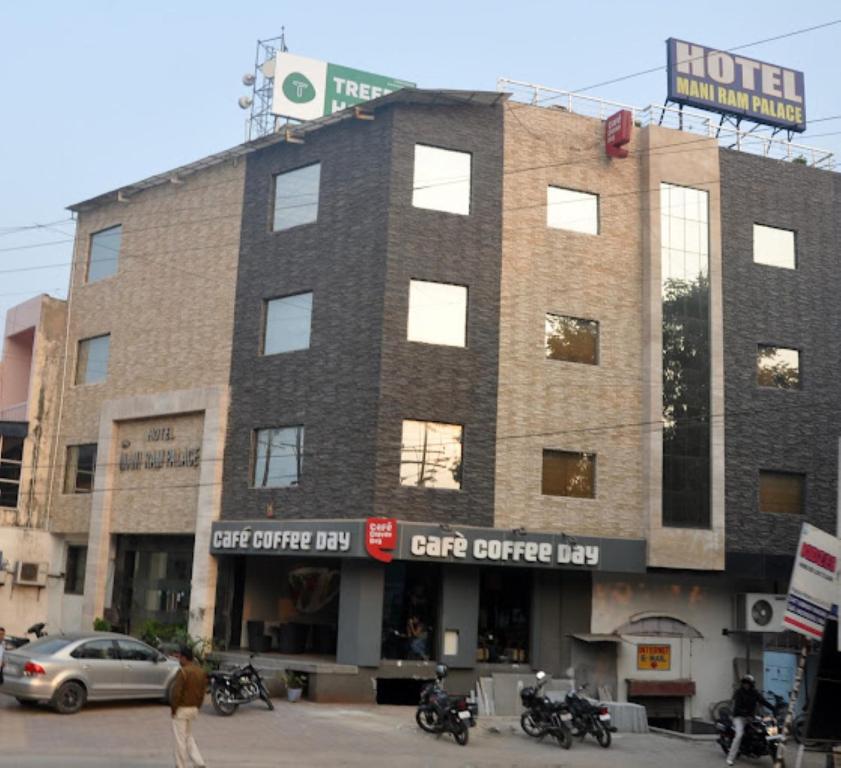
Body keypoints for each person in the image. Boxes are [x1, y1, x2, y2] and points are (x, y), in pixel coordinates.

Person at [170, 645, 207, 768]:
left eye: (180, 657)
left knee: (180, 740)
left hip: (181, 709)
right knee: (188, 737)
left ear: (185, 658)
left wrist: (174, 709)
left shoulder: (183, 672)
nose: (179, 660)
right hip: (193, 709)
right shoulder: (200, 672)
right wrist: (198, 706)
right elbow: (203, 692)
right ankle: (199, 762)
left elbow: (176, 693)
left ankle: (180, 765)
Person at [726, 674, 772, 765]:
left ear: (751, 684)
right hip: (739, 717)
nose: (746, 685)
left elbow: (763, 701)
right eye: (744, 683)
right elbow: (737, 708)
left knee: (764, 728)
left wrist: (774, 708)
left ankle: (759, 747)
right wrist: (746, 715)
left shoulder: (754, 692)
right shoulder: (739, 692)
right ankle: (730, 758)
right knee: (739, 735)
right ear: (742, 683)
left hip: (751, 717)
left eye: (748, 683)